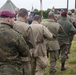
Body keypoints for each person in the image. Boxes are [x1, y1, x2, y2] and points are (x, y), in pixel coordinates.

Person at [0, 10, 29, 75]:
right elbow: (25, 52)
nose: (14, 21)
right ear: (9, 19)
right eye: (14, 19)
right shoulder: (15, 35)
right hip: (13, 70)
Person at [13, 8, 36, 75]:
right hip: (24, 56)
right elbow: (32, 43)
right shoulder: (27, 27)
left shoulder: (11, 24)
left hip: (11, 56)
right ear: (25, 16)